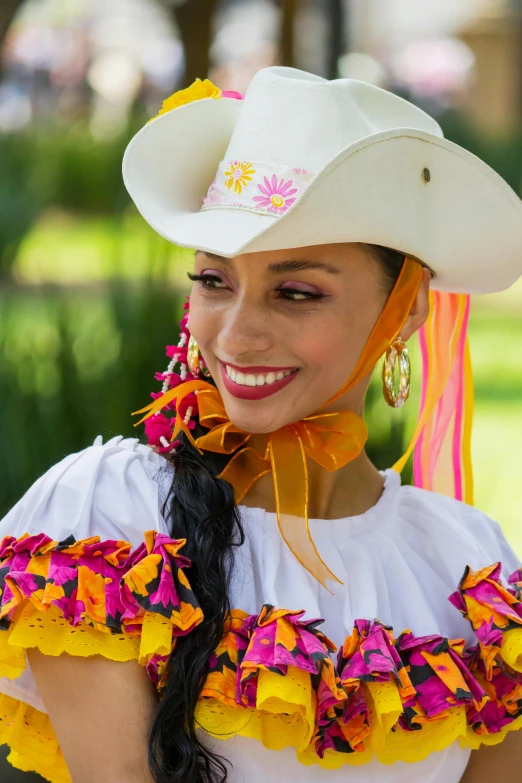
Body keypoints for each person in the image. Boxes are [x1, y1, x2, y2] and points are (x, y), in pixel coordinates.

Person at [0, 67, 522, 783]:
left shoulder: (467, 567)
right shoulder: (106, 520)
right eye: (214, 281)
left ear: (406, 312)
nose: (237, 337)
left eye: (296, 292)